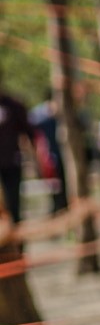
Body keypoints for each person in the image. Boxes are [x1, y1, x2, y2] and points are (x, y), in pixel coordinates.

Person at [0, 76, 31, 226]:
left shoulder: (14, 106)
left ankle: (17, 246)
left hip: (11, 163)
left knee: (13, 206)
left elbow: (29, 133)